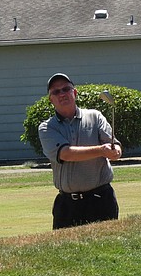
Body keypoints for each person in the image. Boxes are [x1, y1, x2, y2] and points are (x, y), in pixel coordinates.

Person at [38, 73, 122, 229]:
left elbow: (114, 145)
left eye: (66, 89)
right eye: (56, 92)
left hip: (101, 200)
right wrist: (102, 150)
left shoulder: (95, 117)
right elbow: (66, 154)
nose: (62, 94)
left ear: (74, 93)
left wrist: (115, 151)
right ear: (51, 99)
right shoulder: (47, 128)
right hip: (67, 206)